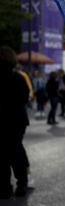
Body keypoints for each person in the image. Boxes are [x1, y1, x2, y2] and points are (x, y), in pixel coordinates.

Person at [0, 46, 30, 198]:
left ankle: (5, 188)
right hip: (17, 120)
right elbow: (25, 98)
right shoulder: (18, 77)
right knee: (16, 152)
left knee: (1, 156)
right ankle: (22, 184)